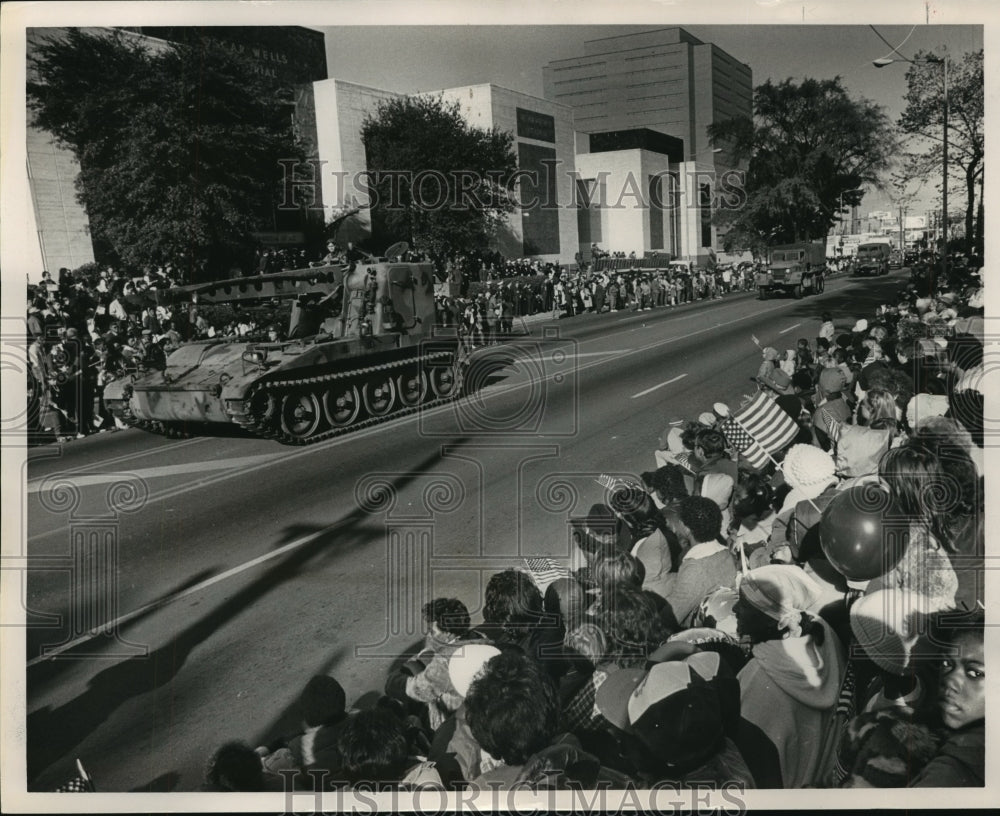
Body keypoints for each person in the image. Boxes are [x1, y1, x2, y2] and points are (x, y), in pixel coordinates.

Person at [732, 565, 846, 788]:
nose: (735, 609)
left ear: (770, 618)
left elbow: (745, 760)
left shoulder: (758, 675)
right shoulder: (823, 636)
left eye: (745, 605)